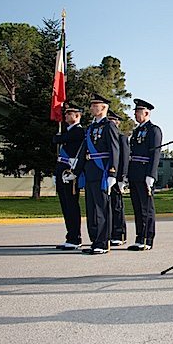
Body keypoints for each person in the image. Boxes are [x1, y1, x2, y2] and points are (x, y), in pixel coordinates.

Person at [65, 93, 120, 255]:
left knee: (102, 208)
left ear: (103, 107)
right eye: (91, 105)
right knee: (91, 208)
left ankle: (103, 242)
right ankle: (95, 239)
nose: (91, 108)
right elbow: (83, 152)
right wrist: (75, 172)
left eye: (94, 105)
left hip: (102, 170)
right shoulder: (90, 128)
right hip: (90, 171)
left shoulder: (109, 126)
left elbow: (114, 151)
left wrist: (112, 173)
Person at [127, 98, 162, 251]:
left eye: (138, 111)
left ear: (146, 112)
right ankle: (139, 237)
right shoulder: (136, 131)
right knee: (137, 207)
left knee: (146, 208)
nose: (135, 114)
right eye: (135, 112)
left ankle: (148, 239)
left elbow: (155, 154)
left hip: (145, 172)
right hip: (134, 172)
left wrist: (151, 175)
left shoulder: (153, 130)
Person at [52, 103, 84, 250]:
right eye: (65, 114)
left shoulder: (78, 131)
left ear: (77, 116)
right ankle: (70, 236)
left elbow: (57, 140)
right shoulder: (68, 131)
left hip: (70, 172)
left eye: (69, 114)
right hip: (62, 170)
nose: (65, 116)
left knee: (71, 205)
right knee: (65, 205)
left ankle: (75, 237)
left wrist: (59, 137)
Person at [107, 110, 129, 246]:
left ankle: (119, 234)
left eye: (112, 121)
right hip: (107, 175)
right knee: (107, 206)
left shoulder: (122, 138)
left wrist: (122, 178)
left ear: (117, 122)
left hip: (117, 176)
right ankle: (109, 233)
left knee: (116, 206)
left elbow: (125, 159)